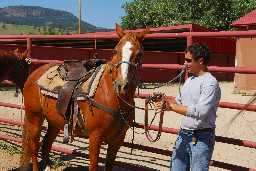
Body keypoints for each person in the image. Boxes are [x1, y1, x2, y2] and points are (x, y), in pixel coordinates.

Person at [155, 43, 221, 171]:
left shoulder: (210, 83)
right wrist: (164, 100)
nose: (185, 63)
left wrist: (172, 107)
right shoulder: (190, 80)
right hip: (183, 134)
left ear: (201, 61)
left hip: (201, 137)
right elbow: (178, 101)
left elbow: (200, 112)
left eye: (189, 60)